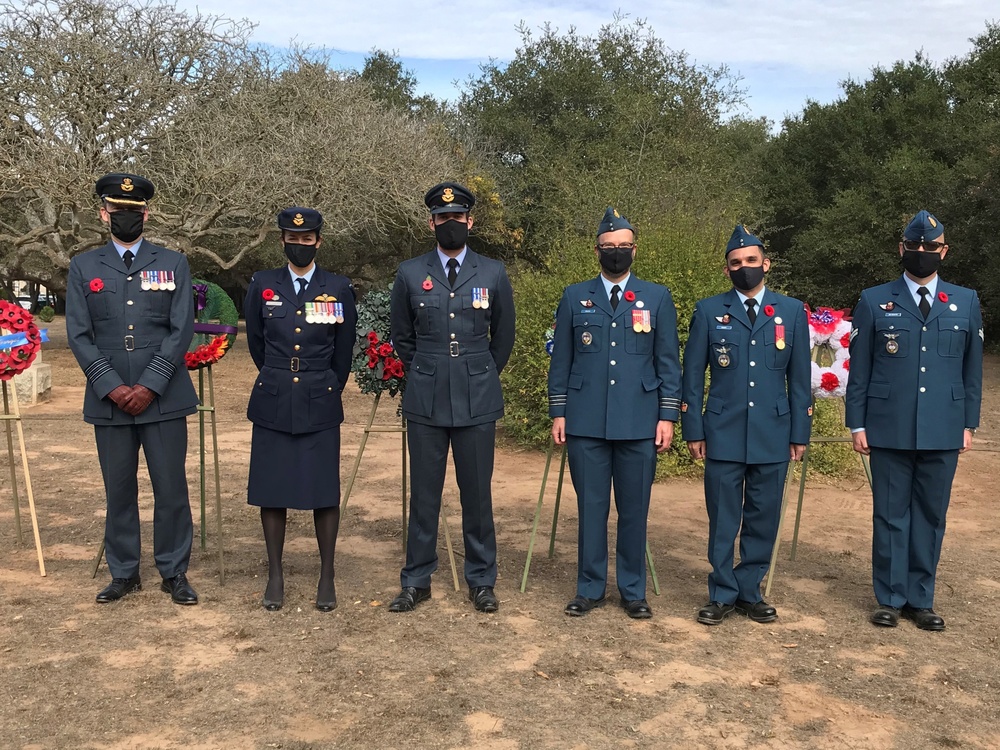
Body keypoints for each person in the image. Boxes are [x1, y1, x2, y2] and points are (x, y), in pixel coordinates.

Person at [66, 173, 200, 605]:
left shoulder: (173, 262)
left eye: (133, 211)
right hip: (110, 400)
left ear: (146, 213)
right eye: (117, 211)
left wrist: (149, 384)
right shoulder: (84, 266)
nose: (126, 217)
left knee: (170, 487)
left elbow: (181, 331)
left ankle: (174, 570)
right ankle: (123, 572)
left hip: (162, 396)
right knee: (118, 488)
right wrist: (111, 386)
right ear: (103, 213)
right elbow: (79, 334)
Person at [846, 210, 983, 631]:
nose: (921, 254)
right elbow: (861, 370)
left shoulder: (965, 301)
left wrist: (968, 423)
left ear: (944, 252)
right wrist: (857, 424)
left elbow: (971, 370)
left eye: (930, 248)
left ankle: (920, 598)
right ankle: (889, 597)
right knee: (890, 514)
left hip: (943, 425)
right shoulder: (874, 300)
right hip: (888, 425)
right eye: (914, 247)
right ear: (901, 248)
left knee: (930, 515)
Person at [547, 207, 682, 619]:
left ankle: (632, 590)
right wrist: (559, 411)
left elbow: (667, 363)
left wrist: (667, 416)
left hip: (639, 420)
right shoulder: (575, 296)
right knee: (590, 507)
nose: (616, 253)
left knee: (634, 508)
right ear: (597, 251)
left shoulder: (657, 297)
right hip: (586, 419)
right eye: (609, 247)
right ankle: (589, 588)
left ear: (635, 251)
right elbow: (563, 361)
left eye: (623, 247)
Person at [387, 182, 515, 613]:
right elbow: (402, 337)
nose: (451, 224)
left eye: (458, 218)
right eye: (443, 219)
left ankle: (481, 579)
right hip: (426, 392)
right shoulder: (409, 273)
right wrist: (431, 368)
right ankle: (416, 579)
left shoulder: (493, 271)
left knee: (477, 492)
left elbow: (504, 337)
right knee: (424, 493)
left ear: (470, 221)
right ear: (432, 223)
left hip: (477, 392)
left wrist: (477, 371)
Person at [681, 225, 811, 626]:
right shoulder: (708, 311)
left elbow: (800, 380)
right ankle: (721, 592)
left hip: (773, 431)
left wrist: (799, 434)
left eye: (751, 261)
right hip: (722, 431)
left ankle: (750, 590)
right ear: (727, 271)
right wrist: (694, 429)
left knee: (763, 516)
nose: (744, 268)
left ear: (765, 264)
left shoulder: (790, 312)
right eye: (735, 263)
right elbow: (692, 376)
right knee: (722, 517)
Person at [244, 207, 357, 612]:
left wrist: (325, 385)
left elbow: (343, 351)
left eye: (307, 239)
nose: (299, 245)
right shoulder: (263, 284)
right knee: (271, 489)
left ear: (318, 241)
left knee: (323, 488)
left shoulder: (338, 287)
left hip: (319, 394)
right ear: (283, 241)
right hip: (274, 394)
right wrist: (279, 374)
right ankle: (275, 574)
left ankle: (326, 574)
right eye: (292, 239)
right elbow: (257, 342)